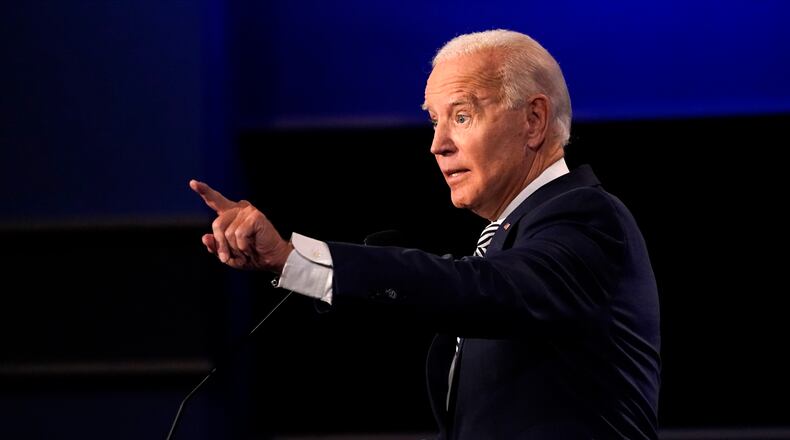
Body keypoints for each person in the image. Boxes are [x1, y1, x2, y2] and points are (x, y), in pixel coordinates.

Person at [190, 29, 660, 439]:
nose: (437, 144)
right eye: (434, 120)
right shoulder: (512, 238)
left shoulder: (587, 216)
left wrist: (296, 258)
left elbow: (481, 289)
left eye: (461, 116)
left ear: (533, 120)